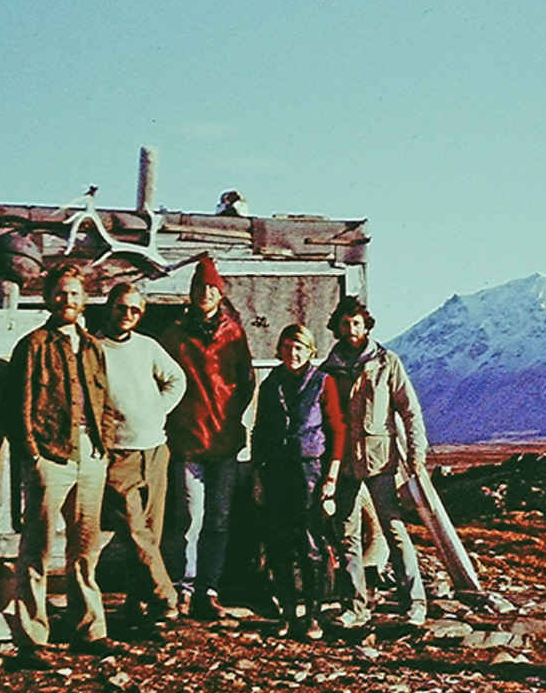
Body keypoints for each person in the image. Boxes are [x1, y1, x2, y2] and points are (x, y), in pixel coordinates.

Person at [6, 264, 113, 654]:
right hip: (51, 456)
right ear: (48, 298)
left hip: (91, 454)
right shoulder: (33, 345)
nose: (67, 300)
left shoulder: (93, 347)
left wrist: (104, 447)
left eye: (74, 294)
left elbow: (104, 401)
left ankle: (90, 630)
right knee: (37, 549)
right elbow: (18, 405)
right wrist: (33, 453)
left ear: (85, 300)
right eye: (61, 293)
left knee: (85, 549)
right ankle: (32, 638)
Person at [321, 295, 429, 627]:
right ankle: (354, 607)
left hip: (379, 460)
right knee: (347, 535)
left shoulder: (386, 363)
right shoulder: (328, 370)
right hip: (343, 463)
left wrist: (416, 455)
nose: (351, 329)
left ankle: (414, 602)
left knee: (393, 529)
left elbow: (409, 410)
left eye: (356, 323)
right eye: (344, 323)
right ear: (337, 327)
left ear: (366, 325)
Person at [159, 256, 255, 619]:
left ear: (221, 294)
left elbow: (246, 381)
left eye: (212, 288)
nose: (206, 293)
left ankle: (208, 590)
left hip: (224, 440)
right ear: (191, 292)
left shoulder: (234, 333)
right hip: (188, 441)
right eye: (201, 288)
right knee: (188, 518)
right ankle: (184, 587)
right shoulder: (174, 335)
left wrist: (230, 416)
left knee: (219, 519)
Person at [97, 282, 187, 630]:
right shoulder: (93, 348)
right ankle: (166, 597)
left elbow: (176, 379)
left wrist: (156, 410)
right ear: (109, 307)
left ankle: (137, 609)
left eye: (135, 310)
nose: (127, 314)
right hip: (118, 454)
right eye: (121, 307)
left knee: (151, 533)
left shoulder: (147, 347)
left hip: (155, 449)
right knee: (135, 532)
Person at [252, 324, 343, 640]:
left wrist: (331, 477)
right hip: (276, 470)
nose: (293, 353)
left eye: (300, 348)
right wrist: (258, 475)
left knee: (310, 543)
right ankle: (287, 613)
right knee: (278, 543)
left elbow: (337, 431)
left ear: (310, 351)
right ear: (279, 350)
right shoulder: (270, 384)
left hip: (309, 471)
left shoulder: (322, 382)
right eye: (288, 347)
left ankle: (313, 615)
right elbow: (260, 430)